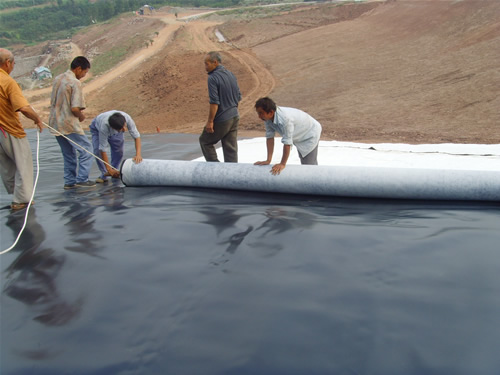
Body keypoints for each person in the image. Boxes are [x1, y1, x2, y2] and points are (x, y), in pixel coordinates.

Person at [0, 48, 44, 210]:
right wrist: (37, 119)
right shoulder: (8, 82)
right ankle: (21, 200)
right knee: (23, 163)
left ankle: (15, 194)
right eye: (13, 64)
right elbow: (23, 108)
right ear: (7, 63)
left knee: (6, 165)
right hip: (10, 130)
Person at [49, 56, 95, 189]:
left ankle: (69, 182)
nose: (83, 76)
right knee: (87, 149)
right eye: (84, 72)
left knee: (68, 153)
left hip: (56, 123)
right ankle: (82, 179)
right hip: (68, 123)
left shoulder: (58, 78)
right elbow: (75, 108)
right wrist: (81, 116)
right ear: (78, 68)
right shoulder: (74, 82)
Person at [254, 97, 322, 175]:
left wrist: (282, 164)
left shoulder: (285, 119)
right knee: (305, 164)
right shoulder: (267, 118)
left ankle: (316, 183)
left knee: (309, 166)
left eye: (261, 113)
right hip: (298, 131)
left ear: (271, 112)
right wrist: (268, 160)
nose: (259, 116)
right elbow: (270, 138)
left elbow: (287, 143)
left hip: (309, 133)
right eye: (258, 113)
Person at [199, 51, 242, 163]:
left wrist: (210, 122)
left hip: (223, 118)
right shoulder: (231, 74)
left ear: (215, 62)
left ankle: (215, 169)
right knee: (230, 148)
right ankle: (231, 174)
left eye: (207, 64)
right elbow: (238, 97)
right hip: (235, 116)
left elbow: (214, 103)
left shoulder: (213, 78)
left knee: (205, 141)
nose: (205, 67)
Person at [89, 110, 142, 182]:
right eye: (121, 129)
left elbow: (136, 136)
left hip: (116, 126)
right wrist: (108, 169)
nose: (124, 129)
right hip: (97, 128)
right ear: (113, 128)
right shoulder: (104, 127)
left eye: (124, 126)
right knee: (97, 151)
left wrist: (138, 155)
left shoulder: (126, 118)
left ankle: (114, 171)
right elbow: (102, 148)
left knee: (119, 151)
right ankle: (105, 173)